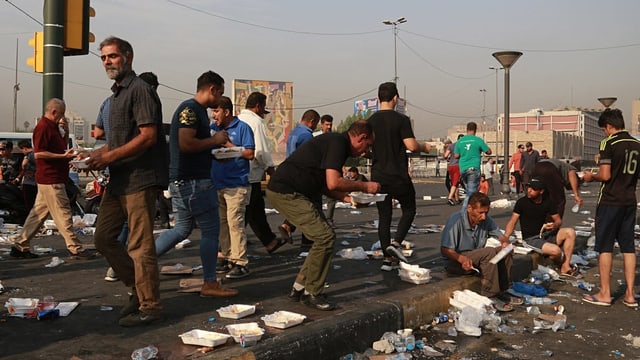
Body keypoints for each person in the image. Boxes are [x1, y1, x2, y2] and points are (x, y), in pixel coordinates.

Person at [87, 36, 168, 327]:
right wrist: (96, 155)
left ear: (128, 57)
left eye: (113, 56)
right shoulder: (116, 96)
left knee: (140, 245)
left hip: (139, 179)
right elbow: (119, 141)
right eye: (104, 58)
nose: (108, 62)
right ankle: (137, 290)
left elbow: (148, 137)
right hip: (118, 179)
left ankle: (151, 306)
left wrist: (107, 158)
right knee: (103, 238)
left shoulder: (140, 90)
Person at [266, 120, 380, 310]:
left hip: (290, 190)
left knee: (322, 237)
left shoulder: (334, 143)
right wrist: (365, 186)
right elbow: (334, 182)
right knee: (325, 237)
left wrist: (350, 200)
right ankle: (312, 293)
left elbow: (326, 185)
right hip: (286, 191)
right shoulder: (338, 143)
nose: (364, 153)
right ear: (361, 138)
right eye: (367, 146)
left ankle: (300, 286)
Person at [153, 70, 238, 297]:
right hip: (193, 182)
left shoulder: (194, 110)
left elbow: (191, 148)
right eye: (219, 92)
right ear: (212, 89)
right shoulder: (191, 110)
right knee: (211, 231)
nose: (220, 98)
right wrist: (215, 140)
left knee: (181, 229)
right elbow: (186, 144)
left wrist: (213, 151)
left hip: (185, 181)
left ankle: (139, 263)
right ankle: (210, 283)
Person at [10, 99, 95, 260]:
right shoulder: (43, 127)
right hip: (51, 178)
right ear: (54, 112)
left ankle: (20, 246)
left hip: (50, 178)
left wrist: (66, 133)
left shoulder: (53, 128)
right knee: (64, 214)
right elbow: (39, 153)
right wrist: (62, 156)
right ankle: (75, 248)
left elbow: (61, 148)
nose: (62, 117)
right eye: (61, 114)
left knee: (37, 215)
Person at [368, 82, 431, 271]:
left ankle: (388, 259)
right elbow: (411, 146)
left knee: (384, 216)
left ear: (378, 99)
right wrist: (424, 147)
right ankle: (395, 244)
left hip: (378, 175)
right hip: (398, 175)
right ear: (395, 98)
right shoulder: (401, 120)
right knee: (409, 209)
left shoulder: (370, 122)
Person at [582, 108, 639, 308]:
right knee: (628, 247)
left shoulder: (609, 143)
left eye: (603, 130)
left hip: (610, 201)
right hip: (629, 201)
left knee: (605, 246)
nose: (604, 133)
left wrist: (591, 176)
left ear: (608, 126)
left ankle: (605, 293)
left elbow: (605, 175)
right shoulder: (637, 144)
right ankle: (630, 294)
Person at [440, 192, 513, 309]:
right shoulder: (456, 220)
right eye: (480, 213)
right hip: (456, 261)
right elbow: (445, 249)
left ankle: (503, 289)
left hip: (476, 258)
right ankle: (489, 294)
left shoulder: (485, 220)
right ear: (469, 208)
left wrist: (505, 243)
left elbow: (501, 236)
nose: (483, 217)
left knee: (506, 250)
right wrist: (461, 259)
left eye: (486, 213)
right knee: (489, 252)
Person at [211, 96, 255, 279]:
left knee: (235, 223)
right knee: (222, 223)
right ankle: (228, 256)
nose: (214, 116)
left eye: (216, 111)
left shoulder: (243, 128)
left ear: (226, 111)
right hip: (217, 183)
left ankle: (240, 262)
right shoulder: (213, 129)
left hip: (236, 184)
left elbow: (250, 153)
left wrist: (228, 146)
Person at [237, 92, 284, 254]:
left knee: (255, 210)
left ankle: (269, 241)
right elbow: (261, 151)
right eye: (263, 107)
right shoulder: (255, 122)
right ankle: (226, 249)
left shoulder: (238, 120)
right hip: (251, 174)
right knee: (244, 214)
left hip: (239, 173)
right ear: (258, 106)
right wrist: (272, 171)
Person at [502, 177, 578, 277]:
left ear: (541, 191)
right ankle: (559, 262)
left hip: (545, 234)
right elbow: (512, 222)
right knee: (556, 251)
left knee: (570, 232)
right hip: (531, 238)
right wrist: (505, 239)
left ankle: (565, 265)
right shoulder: (522, 203)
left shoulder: (548, 202)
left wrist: (554, 225)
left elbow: (558, 221)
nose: (529, 191)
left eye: (533, 189)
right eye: (528, 188)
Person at [279, 110, 321, 247]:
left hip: (291, 174)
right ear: (312, 121)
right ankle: (308, 238)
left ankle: (288, 225)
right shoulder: (306, 136)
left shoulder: (294, 133)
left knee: (301, 205)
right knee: (311, 207)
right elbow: (309, 158)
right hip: (304, 175)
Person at [454, 122, 491, 209]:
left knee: (470, 192)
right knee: (470, 194)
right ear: (475, 130)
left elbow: (456, 155)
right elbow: (489, 152)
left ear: (466, 130)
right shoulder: (478, 140)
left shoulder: (460, 141)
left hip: (463, 169)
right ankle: (464, 215)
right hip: (473, 169)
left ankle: (471, 213)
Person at [17, 140, 37, 215]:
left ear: (24, 148)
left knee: (30, 205)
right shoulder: (33, 154)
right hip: (33, 183)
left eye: (22, 150)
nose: (22, 152)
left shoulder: (31, 155)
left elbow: (24, 165)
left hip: (30, 183)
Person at [444, 135, 463, 205]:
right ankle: (450, 198)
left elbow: (445, 156)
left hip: (451, 166)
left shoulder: (451, 146)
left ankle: (457, 198)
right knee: (455, 183)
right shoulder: (462, 146)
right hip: (458, 166)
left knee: (454, 183)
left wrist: (449, 159)